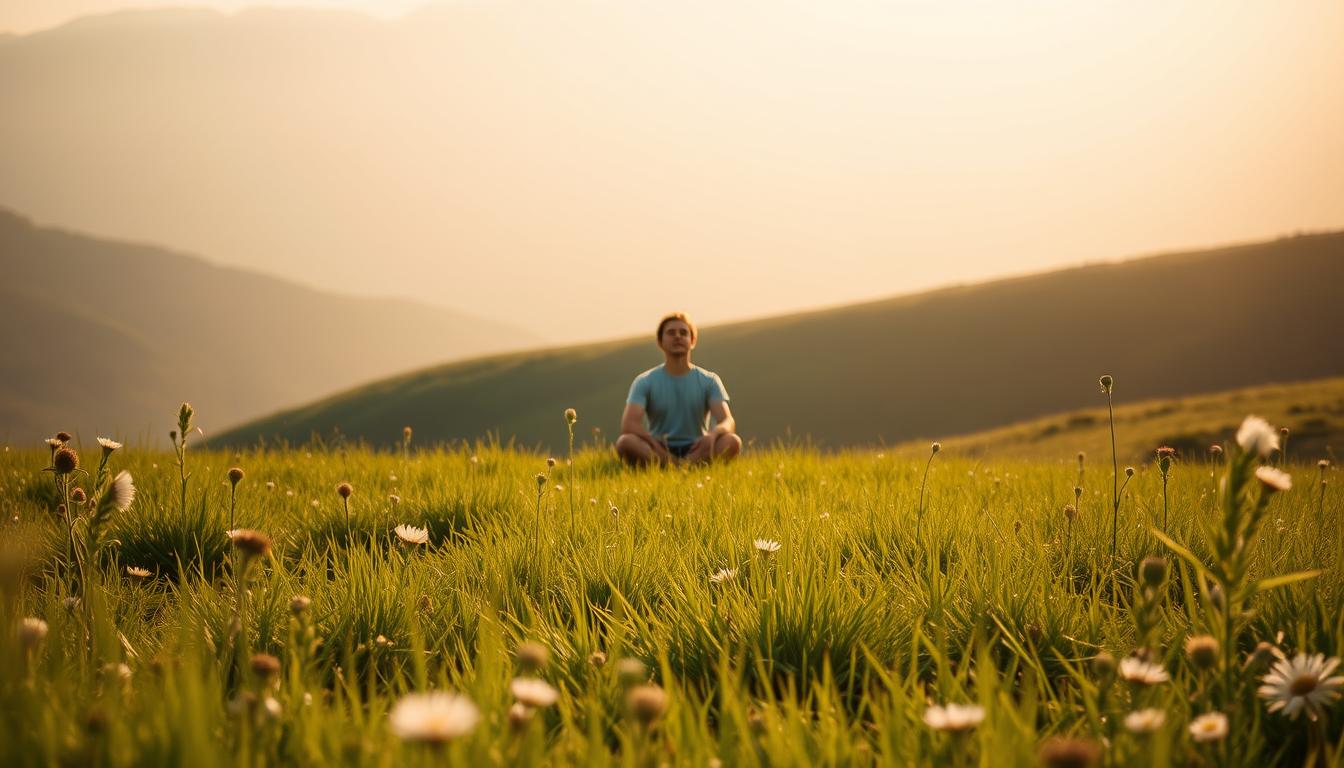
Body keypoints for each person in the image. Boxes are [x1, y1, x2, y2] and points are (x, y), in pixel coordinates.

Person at [616, 312, 742, 466]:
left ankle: (677, 466)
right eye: (671, 333)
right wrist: (652, 442)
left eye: (683, 333)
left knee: (732, 441)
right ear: (660, 341)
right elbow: (629, 424)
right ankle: (680, 466)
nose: (678, 337)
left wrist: (712, 435)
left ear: (692, 340)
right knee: (625, 442)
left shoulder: (709, 380)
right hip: (659, 447)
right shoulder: (644, 381)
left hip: (698, 448)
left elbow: (727, 421)